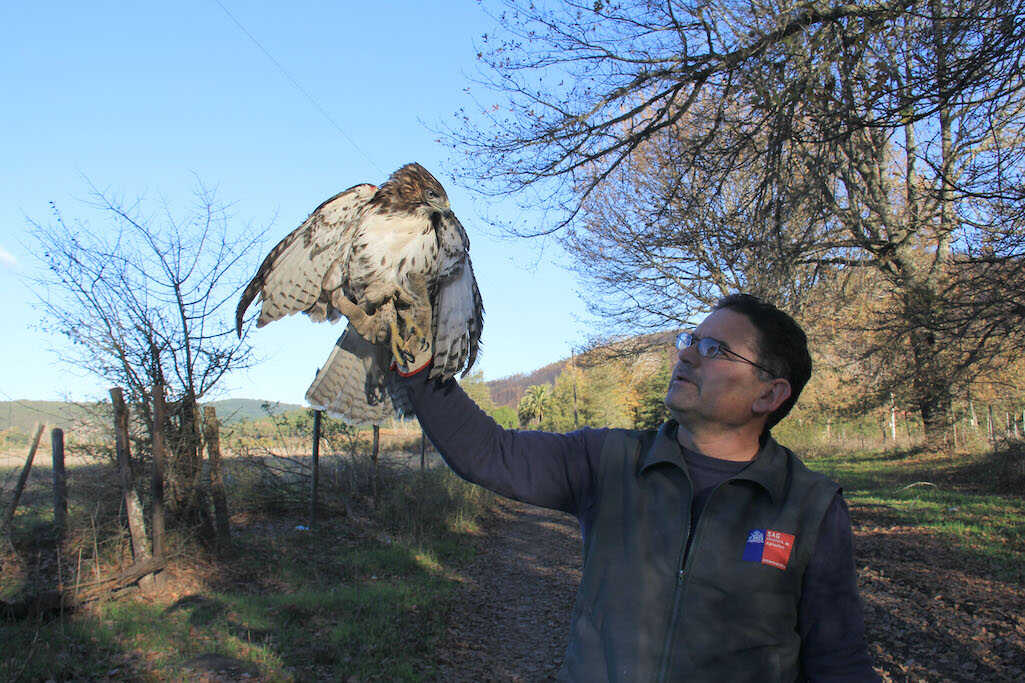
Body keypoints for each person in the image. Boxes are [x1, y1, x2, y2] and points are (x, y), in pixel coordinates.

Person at [396, 293, 878, 681]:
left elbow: (837, 660)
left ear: (769, 393)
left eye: (714, 350)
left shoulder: (809, 506)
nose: (686, 353)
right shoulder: (610, 460)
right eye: (691, 338)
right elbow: (490, 453)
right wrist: (416, 358)